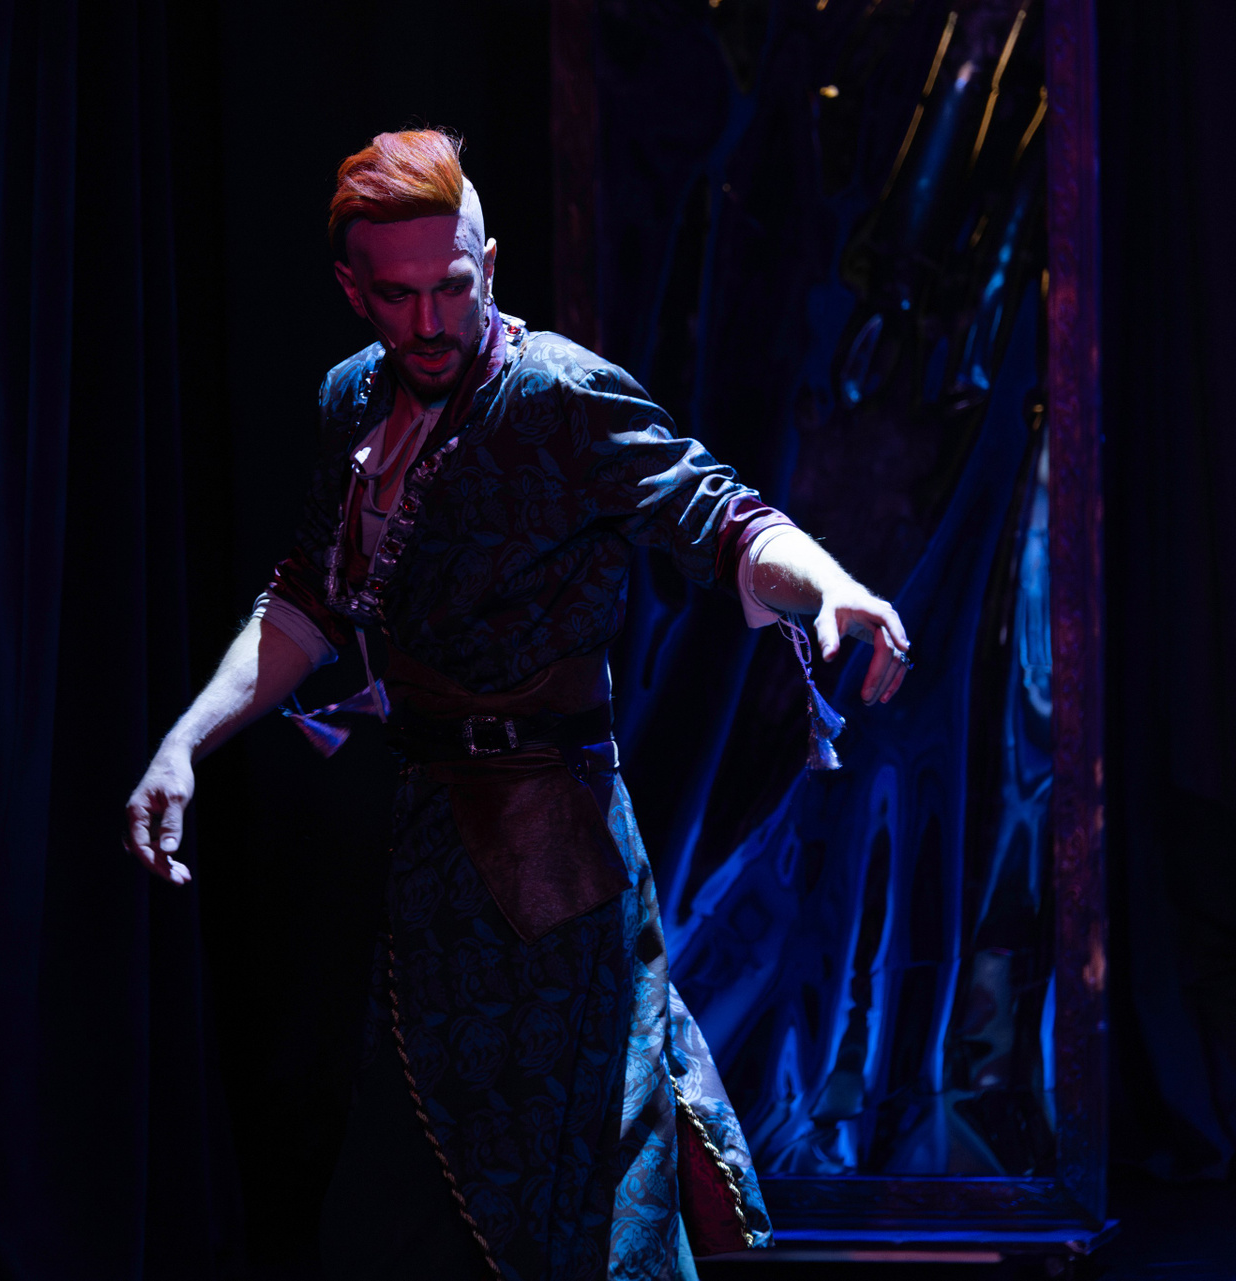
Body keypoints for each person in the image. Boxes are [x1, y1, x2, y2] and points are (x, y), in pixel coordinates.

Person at [125, 129, 911, 1281]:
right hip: (429, 849)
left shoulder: (558, 396)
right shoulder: (352, 398)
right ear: (352, 290)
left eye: (453, 286)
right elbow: (309, 598)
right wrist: (185, 743)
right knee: (414, 1193)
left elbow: (720, 515)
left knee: (584, 1188)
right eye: (398, 296)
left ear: (488, 264)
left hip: (557, 855)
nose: (429, 321)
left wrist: (830, 586)